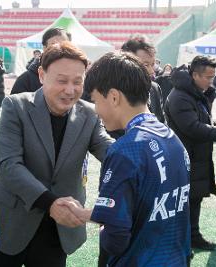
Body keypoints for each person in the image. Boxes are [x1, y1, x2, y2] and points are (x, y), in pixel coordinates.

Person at [0, 42, 113, 267]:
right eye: (62, 80)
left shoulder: (89, 114)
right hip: (13, 220)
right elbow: (9, 165)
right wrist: (50, 202)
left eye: (78, 81)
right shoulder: (16, 106)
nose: (70, 90)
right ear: (41, 74)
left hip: (59, 229)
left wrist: (139, 155)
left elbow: (108, 149)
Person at [66, 52, 191, 266]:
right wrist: (88, 214)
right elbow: (146, 208)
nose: (96, 110)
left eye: (96, 100)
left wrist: (104, 227)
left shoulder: (126, 150)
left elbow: (116, 237)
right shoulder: (171, 138)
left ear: (114, 97)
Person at [165, 56, 216, 251]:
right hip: (184, 158)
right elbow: (192, 127)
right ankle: (181, 242)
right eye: (208, 77)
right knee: (183, 203)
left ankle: (193, 236)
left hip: (196, 156)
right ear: (194, 75)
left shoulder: (194, 92)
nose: (211, 81)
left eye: (213, 76)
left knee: (195, 198)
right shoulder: (180, 96)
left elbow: (202, 120)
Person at [11, 27, 71, 95]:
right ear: (45, 48)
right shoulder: (26, 80)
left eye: (64, 45)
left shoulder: (77, 78)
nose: (60, 48)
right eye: (54, 44)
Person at [121, 39, 165, 124]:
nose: (151, 71)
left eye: (152, 65)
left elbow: (162, 122)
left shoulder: (154, 89)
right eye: (146, 65)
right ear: (127, 63)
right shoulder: (115, 93)